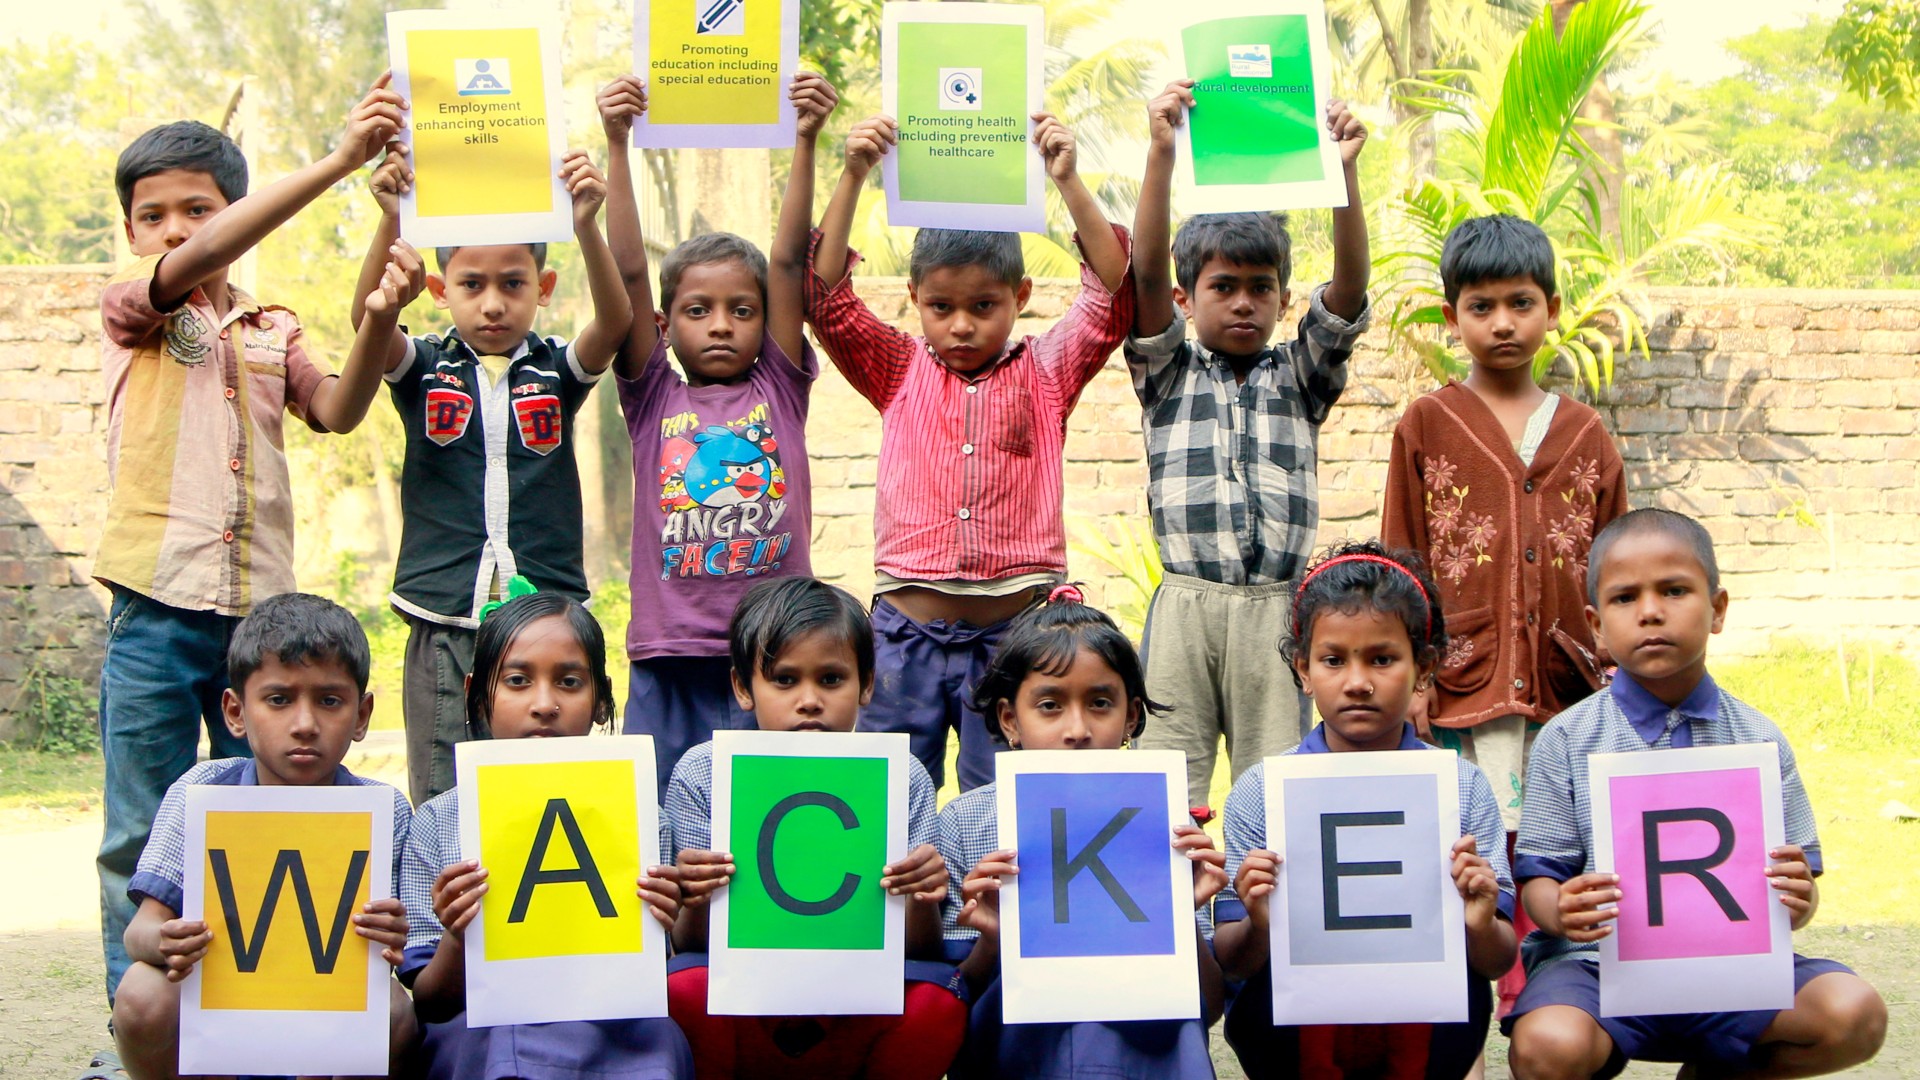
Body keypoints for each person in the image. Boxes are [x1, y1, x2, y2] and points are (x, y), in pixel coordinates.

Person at [95, 80, 404, 1004]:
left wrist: (383, 314)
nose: (173, 229)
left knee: (272, 813)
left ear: (232, 209)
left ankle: (270, 1006)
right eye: (152, 216)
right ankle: (139, 1016)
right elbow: (200, 260)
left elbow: (340, 411)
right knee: (139, 826)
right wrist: (341, 160)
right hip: (154, 604)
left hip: (258, 616)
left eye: (197, 208)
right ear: (132, 232)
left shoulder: (274, 329)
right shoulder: (133, 310)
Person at [803, 109, 1135, 791]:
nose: (960, 325)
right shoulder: (895, 369)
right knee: (888, 804)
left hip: (1016, 642)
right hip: (903, 639)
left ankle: (987, 902)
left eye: (983, 306)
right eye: (941, 307)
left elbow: (1112, 298)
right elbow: (826, 300)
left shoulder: (1047, 371)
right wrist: (855, 172)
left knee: (1004, 807)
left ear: (1019, 296)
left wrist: (1066, 180)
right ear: (915, 300)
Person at [1504, 508, 1887, 1080]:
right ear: (1596, 623)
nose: (1651, 611)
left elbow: (1797, 885)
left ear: (1718, 609)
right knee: (1546, 1047)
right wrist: (1560, 911)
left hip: (1732, 968)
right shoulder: (1567, 738)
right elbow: (1539, 875)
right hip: (1598, 966)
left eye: (1675, 590)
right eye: (1625, 598)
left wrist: (1799, 900)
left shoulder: (1759, 737)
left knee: (1855, 1015)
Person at [347, 136, 632, 805]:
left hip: (542, 617)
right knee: (443, 790)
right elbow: (371, 319)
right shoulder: (423, 366)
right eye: (472, 286)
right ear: (441, 291)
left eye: (514, 285)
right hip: (443, 611)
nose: (494, 304)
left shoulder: (556, 369)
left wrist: (586, 222)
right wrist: (391, 218)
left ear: (544, 287)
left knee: (541, 787)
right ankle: (444, 906)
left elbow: (615, 323)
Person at [1125, 79, 1374, 809]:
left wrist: (1344, 172)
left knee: (1277, 789)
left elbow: (1350, 293)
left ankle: (1259, 920)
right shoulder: (1166, 371)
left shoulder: (1300, 373)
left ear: (1283, 301)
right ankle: (1178, 919)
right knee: (1169, 784)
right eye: (1223, 286)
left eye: (1261, 288)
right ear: (1184, 299)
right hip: (1186, 606)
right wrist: (1161, 152)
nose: (1243, 302)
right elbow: (1140, 271)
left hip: (1275, 607)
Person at [598, 72, 836, 790]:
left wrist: (805, 137)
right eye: (699, 310)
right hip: (669, 658)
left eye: (743, 308)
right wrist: (617, 142)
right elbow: (629, 274)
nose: (723, 323)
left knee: (767, 818)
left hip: (774, 656)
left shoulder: (779, 387)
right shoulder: (651, 396)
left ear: (767, 322)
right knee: (661, 828)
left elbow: (790, 261)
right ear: (666, 327)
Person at [1215, 541, 1517, 1079]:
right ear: (1304, 670)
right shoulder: (1263, 792)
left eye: (1382, 658)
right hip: (1293, 1038)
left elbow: (1496, 960)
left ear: (1423, 668)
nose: (1357, 681)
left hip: (1427, 1036)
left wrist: (1478, 919)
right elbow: (1233, 961)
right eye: (1333, 661)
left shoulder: (1459, 787)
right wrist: (1259, 920)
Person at [663, 577, 967, 1079]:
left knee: (939, 1000)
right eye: (784, 680)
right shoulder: (704, 773)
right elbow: (691, 949)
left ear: (865, 684)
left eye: (831, 679)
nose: (809, 700)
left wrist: (922, 895)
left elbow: (921, 953)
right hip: (746, 1009)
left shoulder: (901, 776)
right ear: (743, 687)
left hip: (856, 1007)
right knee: (682, 988)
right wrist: (694, 896)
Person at [1382, 213, 1629, 828]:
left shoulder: (1586, 435)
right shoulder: (1428, 424)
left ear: (1551, 308)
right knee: (1476, 850)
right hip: (1463, 685)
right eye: (1481, 306)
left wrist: (1619, 663)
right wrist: (1413, 676)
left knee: (1562, 847)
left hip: (1568, 688)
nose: (1502, 323)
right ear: (1450, 316)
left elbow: (1617, 563)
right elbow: (1400, 559)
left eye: (1521, 303)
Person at [111, 593, 417, 1080]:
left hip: (327, 1008)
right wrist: (166, 941)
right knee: (141, 995)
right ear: (235, 711)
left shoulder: (386, 812)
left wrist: (392, 934)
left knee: (393, 1014)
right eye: (278, 699)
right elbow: (139, 932)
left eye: (330, 701)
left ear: (361, 716)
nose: (304, 724)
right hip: (219, 1005)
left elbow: (401, 955)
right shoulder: (199, 793)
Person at [399, 591, 694, 1079]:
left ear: (601, 700)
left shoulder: (645, 819)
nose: (544, 704)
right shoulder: (436, 823)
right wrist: (457, 935)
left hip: (613, 1029)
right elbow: (429, 1001)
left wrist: (668, 919)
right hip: (483, 1033)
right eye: (517, 681)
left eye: (569, 682)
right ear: (477, 695)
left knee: (662, 1038)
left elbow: (657, 973)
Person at [938, 585, 1227, 1078]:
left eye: (1099, 703)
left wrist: (1183, 912)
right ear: (1011, 719)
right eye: (1049, 705)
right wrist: (993, 938)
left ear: (1131, 716)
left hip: (1147, 1046)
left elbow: (1209, 1004)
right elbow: (955, 997)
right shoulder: (967, 822)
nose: (1077, 730)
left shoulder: (1164, 822)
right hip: (1016, 1046)